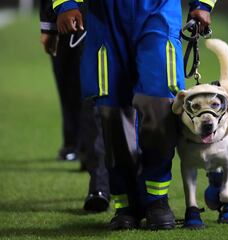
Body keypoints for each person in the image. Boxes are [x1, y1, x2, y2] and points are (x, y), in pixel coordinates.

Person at [52, 0, 215, 230]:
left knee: (159, 102)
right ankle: (125, 203)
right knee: (112, 112)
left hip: (158, 9)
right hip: (105, 16)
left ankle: (157, 199)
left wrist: (203, 4)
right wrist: (66, 3)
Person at [40, 0, 110, 212]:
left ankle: (133, 185)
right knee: (89, 94)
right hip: (82, 12)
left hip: (134, 13)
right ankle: (98, 180)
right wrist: (49, 24)